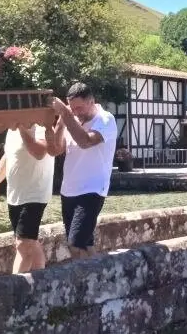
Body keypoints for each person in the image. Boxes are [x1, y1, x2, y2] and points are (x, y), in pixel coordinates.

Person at [48, 83, 118, 260]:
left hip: (92, 190)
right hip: (68, 190)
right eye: (72, 108)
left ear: (91, 101)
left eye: (79, 108)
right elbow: (56, 150)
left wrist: (66, 114)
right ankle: (98, 275)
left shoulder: (105, 119)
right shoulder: (71, 120)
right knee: (85, 244)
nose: (76, 112)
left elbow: (86, 142)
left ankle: (85, 276)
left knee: (75, 243)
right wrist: (60, 123)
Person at [0, 121, 56, 274]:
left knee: (23, 245)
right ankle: (41, 280)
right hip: (16, 194)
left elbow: (39, 152)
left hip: (35, 194)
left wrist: (22, 126)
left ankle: (14, 287)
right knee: (29, 242)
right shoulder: (12, 130)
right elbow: (8, 156)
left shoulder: (41, 127)